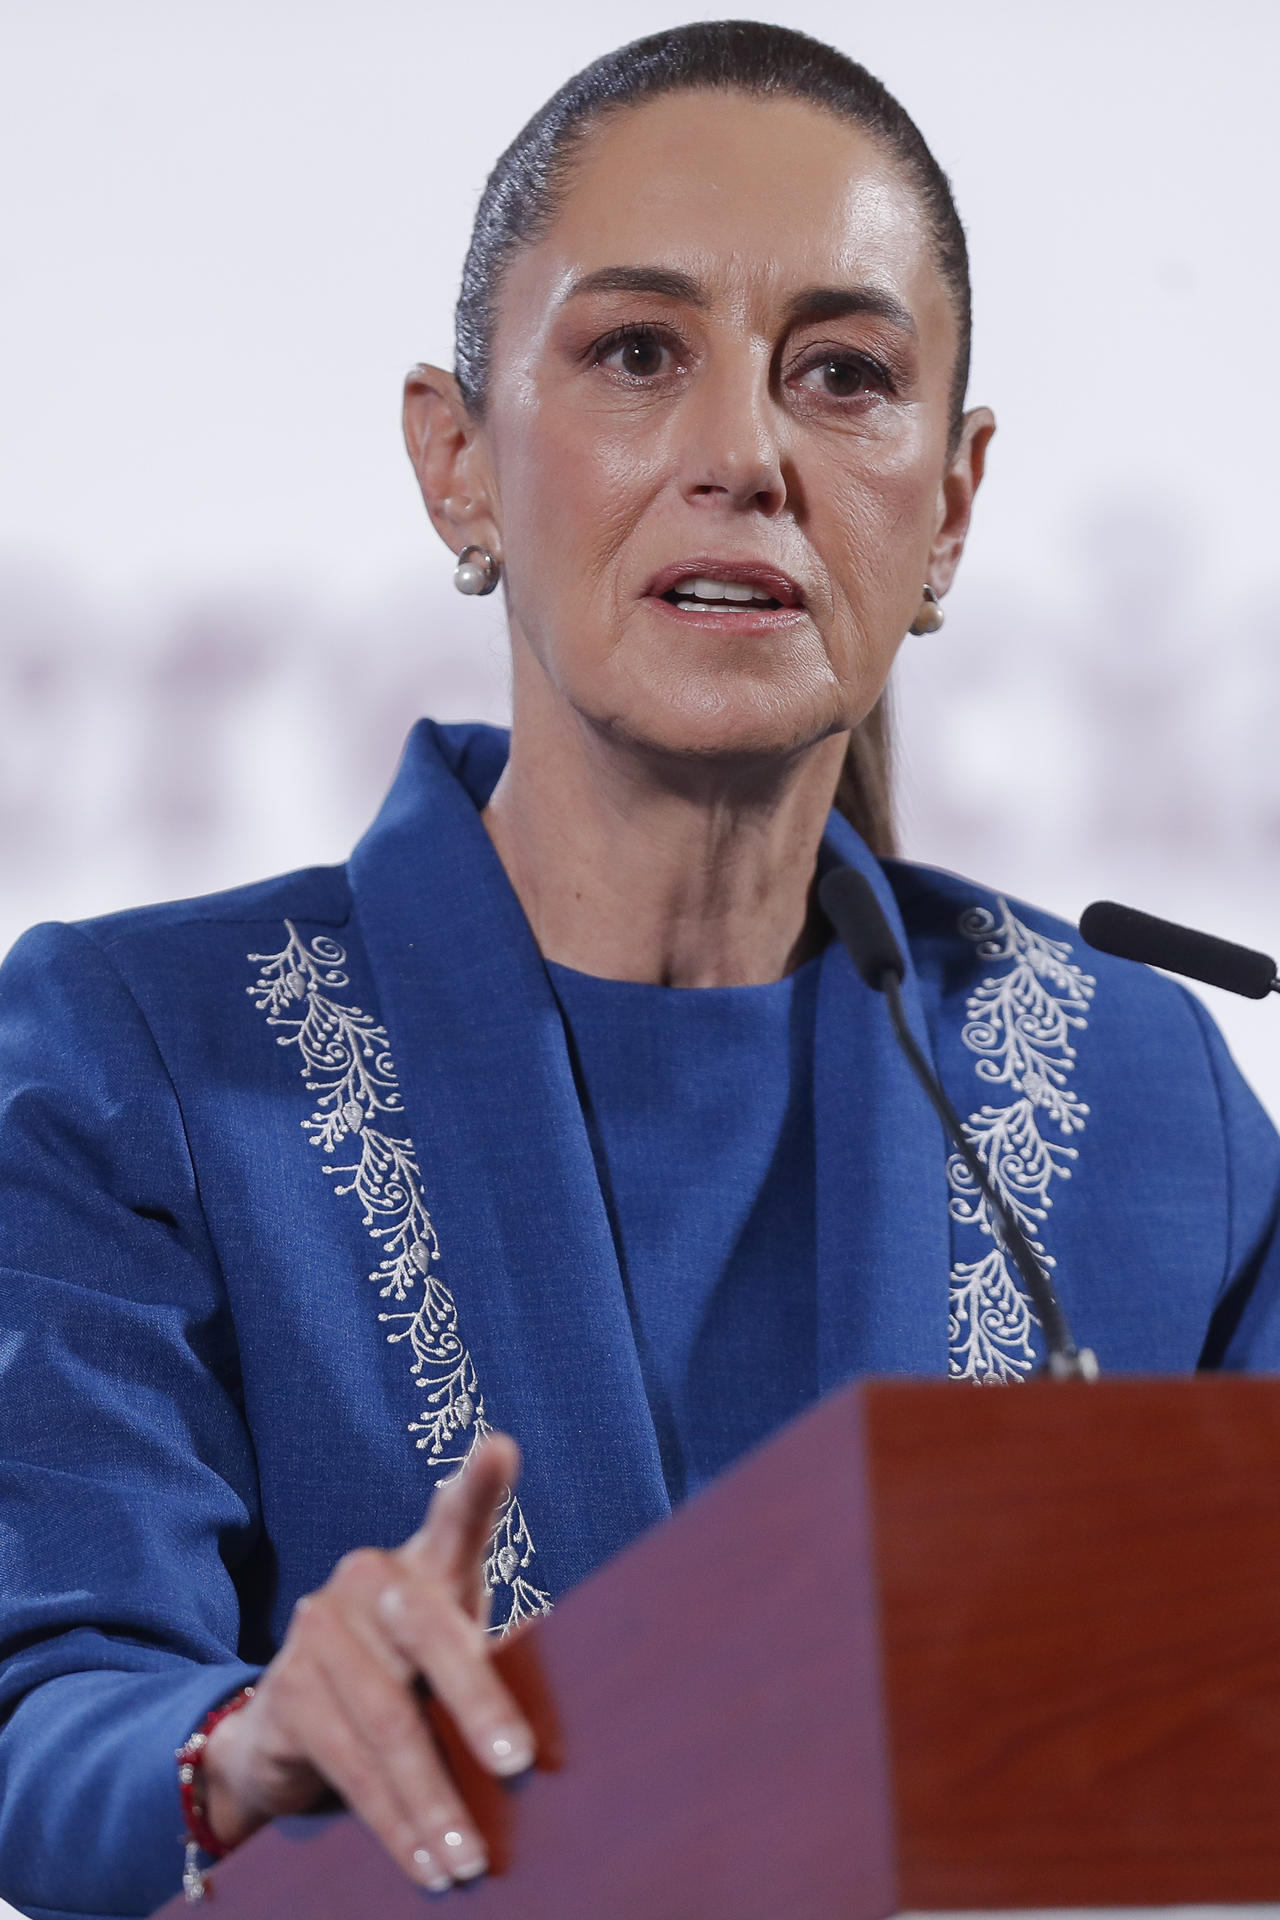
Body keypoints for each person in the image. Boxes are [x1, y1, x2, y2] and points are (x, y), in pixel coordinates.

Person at [2, 20, 1278, 1919]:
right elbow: (47, 1706)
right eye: (634, 354)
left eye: (844, 376)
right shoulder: (140, 1061)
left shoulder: (1142, 1100)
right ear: (457, 461)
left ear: (950, 506)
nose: (745, 456)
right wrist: (247, 1742)